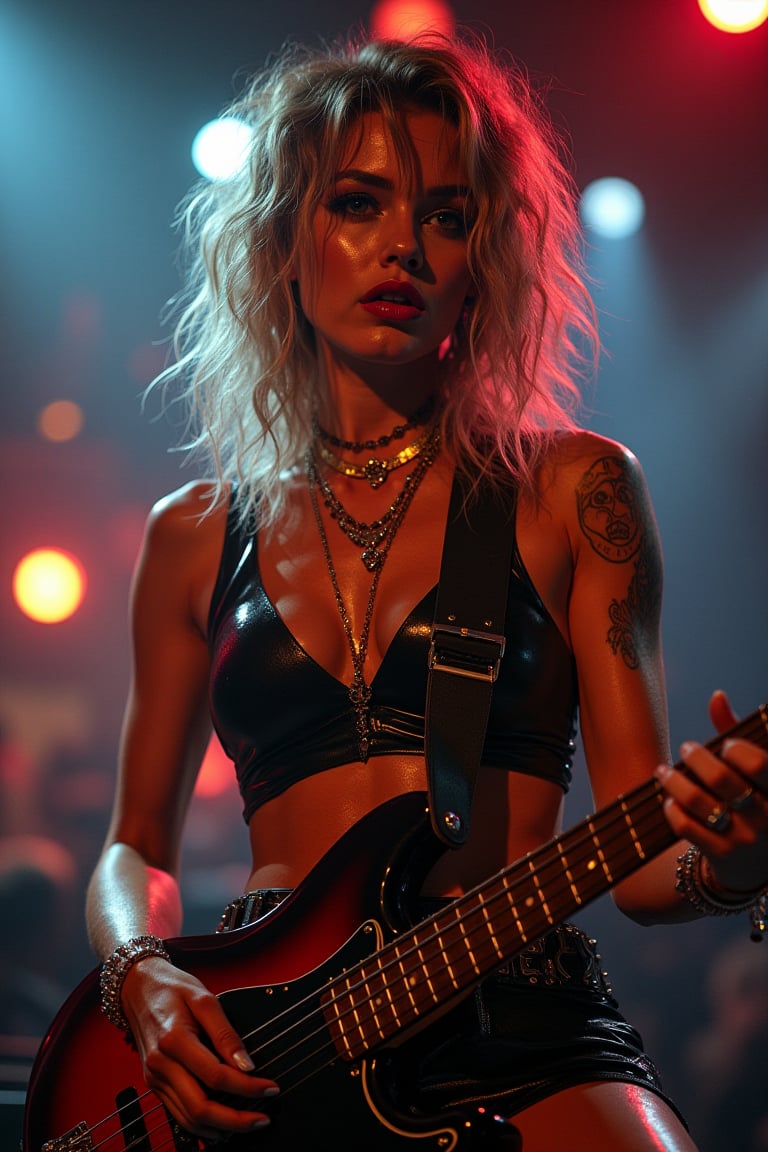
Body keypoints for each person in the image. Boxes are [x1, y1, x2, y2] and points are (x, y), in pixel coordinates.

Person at [84, 30, 768, 1150]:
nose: (403, 246)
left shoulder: (574, 491)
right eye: (358, 203)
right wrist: (139, 973)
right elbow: (136, 849)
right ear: (283, 242)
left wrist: (740, 857)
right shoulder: (191, 536)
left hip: (518, 1012)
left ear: (482, 259)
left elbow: (646, 872)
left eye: (446, 217)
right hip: (270, 1041)